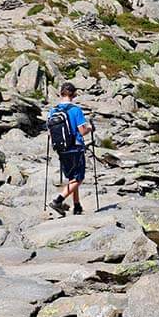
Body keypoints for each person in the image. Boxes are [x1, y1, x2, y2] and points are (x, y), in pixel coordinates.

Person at [48, 82, 92, 216]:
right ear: (74, 94)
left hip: (61, 148)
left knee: (72, 177)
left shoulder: (53, 110)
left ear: (61, 93)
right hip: (75, 147)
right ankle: (58, 200)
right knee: (79, 178)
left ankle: (77, 205)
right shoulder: (76, 110)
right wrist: (90, 128)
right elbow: (82, 131)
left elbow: (50, 131)